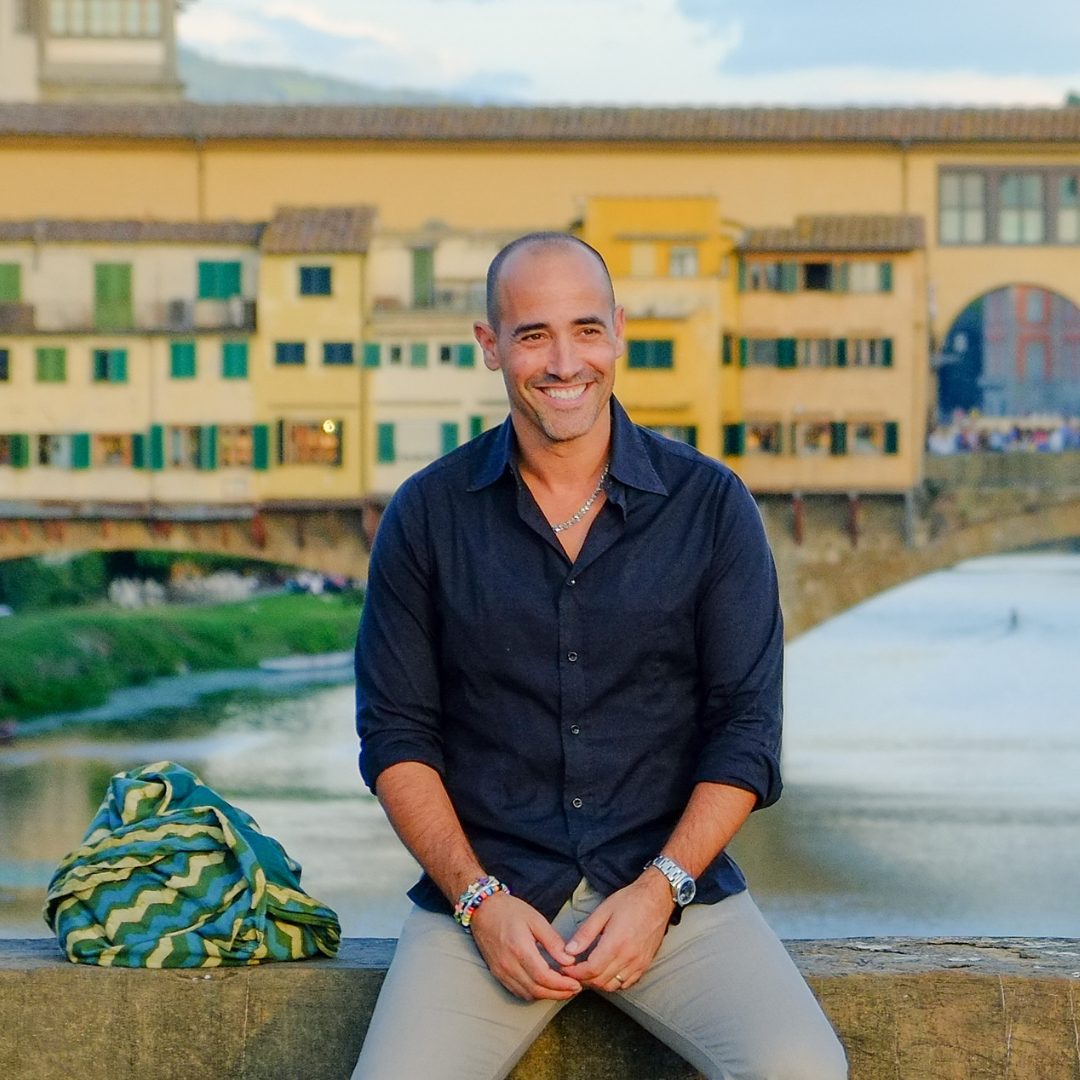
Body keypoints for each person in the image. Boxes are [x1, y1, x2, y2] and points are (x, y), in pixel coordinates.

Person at [353, 233, 847, 1080]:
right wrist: (479, 903)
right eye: (533, 334)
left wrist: (660, 892)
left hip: (670, 895)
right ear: (490, 346)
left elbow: (746, 732)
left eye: (586, 329)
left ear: (617, 332)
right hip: (490, 905)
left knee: (804, 1070)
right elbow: (397, 738)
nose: (564, 361)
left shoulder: (711, 506)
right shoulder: (426, 515)